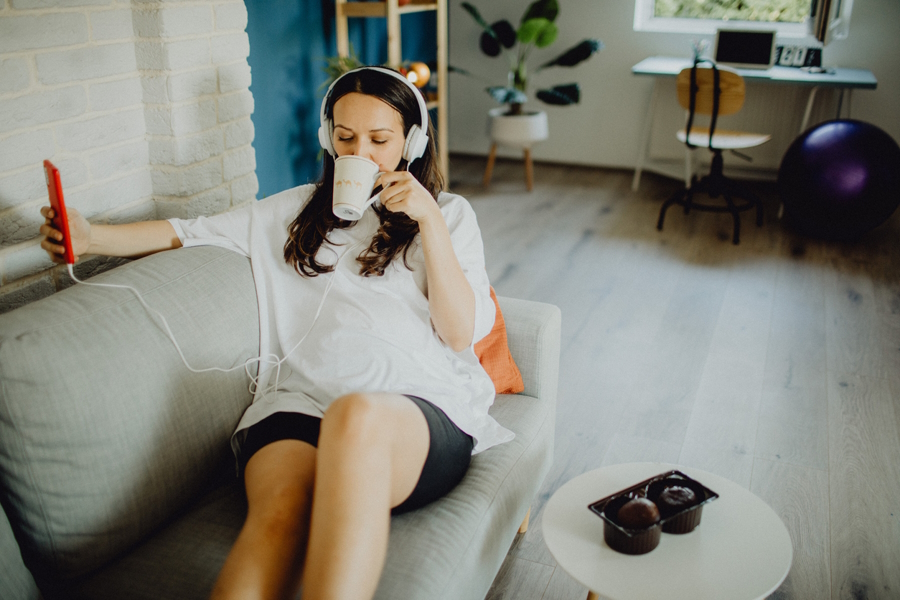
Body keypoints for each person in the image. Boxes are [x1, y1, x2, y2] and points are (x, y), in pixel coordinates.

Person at [38, 66, 513, 600]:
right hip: (299, 406)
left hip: (413, 410)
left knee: (354, 415)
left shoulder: (448, 214)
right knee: (277, 518)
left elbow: (458, 333)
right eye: (345, 137)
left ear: (413, 141)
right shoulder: (293, 211)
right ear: (326, 138)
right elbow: (186, 231)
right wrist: (90, 235)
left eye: (380, 140)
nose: (361, 153)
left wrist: (428, 220)